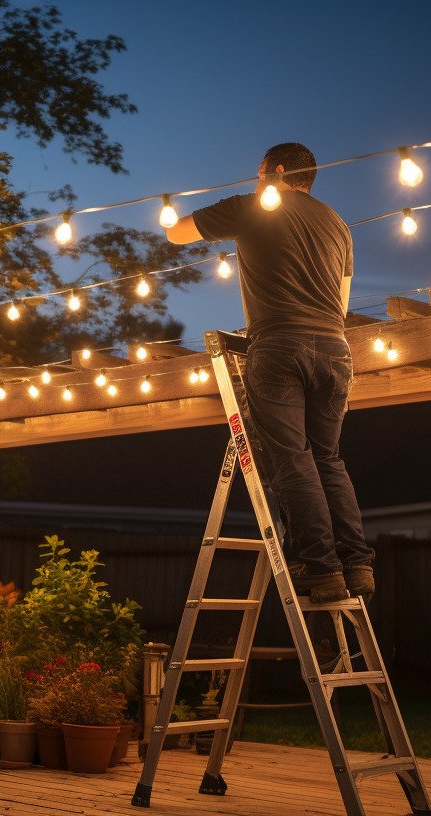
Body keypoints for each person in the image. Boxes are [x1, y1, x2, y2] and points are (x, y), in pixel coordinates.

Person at [164, 142, 371, 603]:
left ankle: (320, 568)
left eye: (258, 173)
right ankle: (357, 565)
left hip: (279, 344)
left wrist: (166, 218)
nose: (256, 181)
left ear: (275, 171)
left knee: (293, 460)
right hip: (335, 350)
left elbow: (177, 233)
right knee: (327, 459)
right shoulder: (339, 225)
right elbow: (341, 302)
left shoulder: (252, 206)